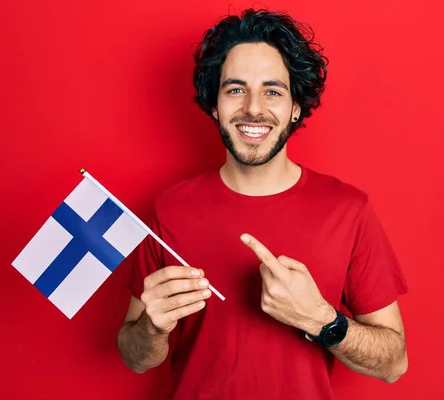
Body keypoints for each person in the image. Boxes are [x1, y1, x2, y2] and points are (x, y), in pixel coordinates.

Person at [117, 8, 408, 399]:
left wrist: (323, 320)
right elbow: (135, 357)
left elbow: (394, 364)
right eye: (235, 89)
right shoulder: (168, 209)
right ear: (215, 105)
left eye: (272, 91)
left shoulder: (348, 210)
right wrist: (151, 329)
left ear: (295, 108)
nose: (253, 108)